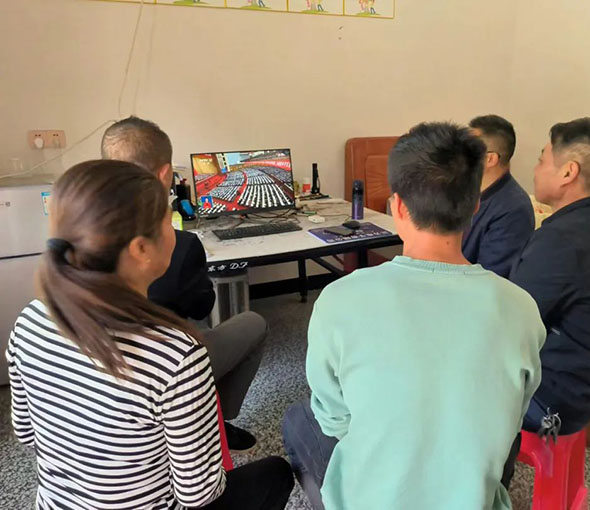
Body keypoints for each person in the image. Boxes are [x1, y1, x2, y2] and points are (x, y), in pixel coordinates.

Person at [282, 122, 545, 510]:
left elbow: (335, 420)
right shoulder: (521, 307)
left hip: (368, 501)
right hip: (475, 499)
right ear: (474, 205)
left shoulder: (339, 299)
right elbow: (511, 415)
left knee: (296, 419)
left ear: (398, 207)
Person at [6, 160, 293, 510]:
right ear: (141, 249)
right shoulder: (176, 354)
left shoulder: (29, 319)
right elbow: (198, 494)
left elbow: (26, 433)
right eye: (168, 220)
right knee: (276, 472)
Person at [101, 116, 265, 451]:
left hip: (99, 370)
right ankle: (215, 421)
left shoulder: (79, 237)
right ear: (165, 175)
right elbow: (202, 306)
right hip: (164, 365)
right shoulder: (177, 244)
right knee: (250, 323)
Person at [510, 117, 590, 436]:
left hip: (555, 400)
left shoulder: (565, 241)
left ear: (568, 172)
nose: (535, 169)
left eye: (542, 160)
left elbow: (511, 325)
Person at [463, 115, 534, 278]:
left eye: (467, 150)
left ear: (490, 159)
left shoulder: (514, 209)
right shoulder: (464, 190)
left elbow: (491, 277)